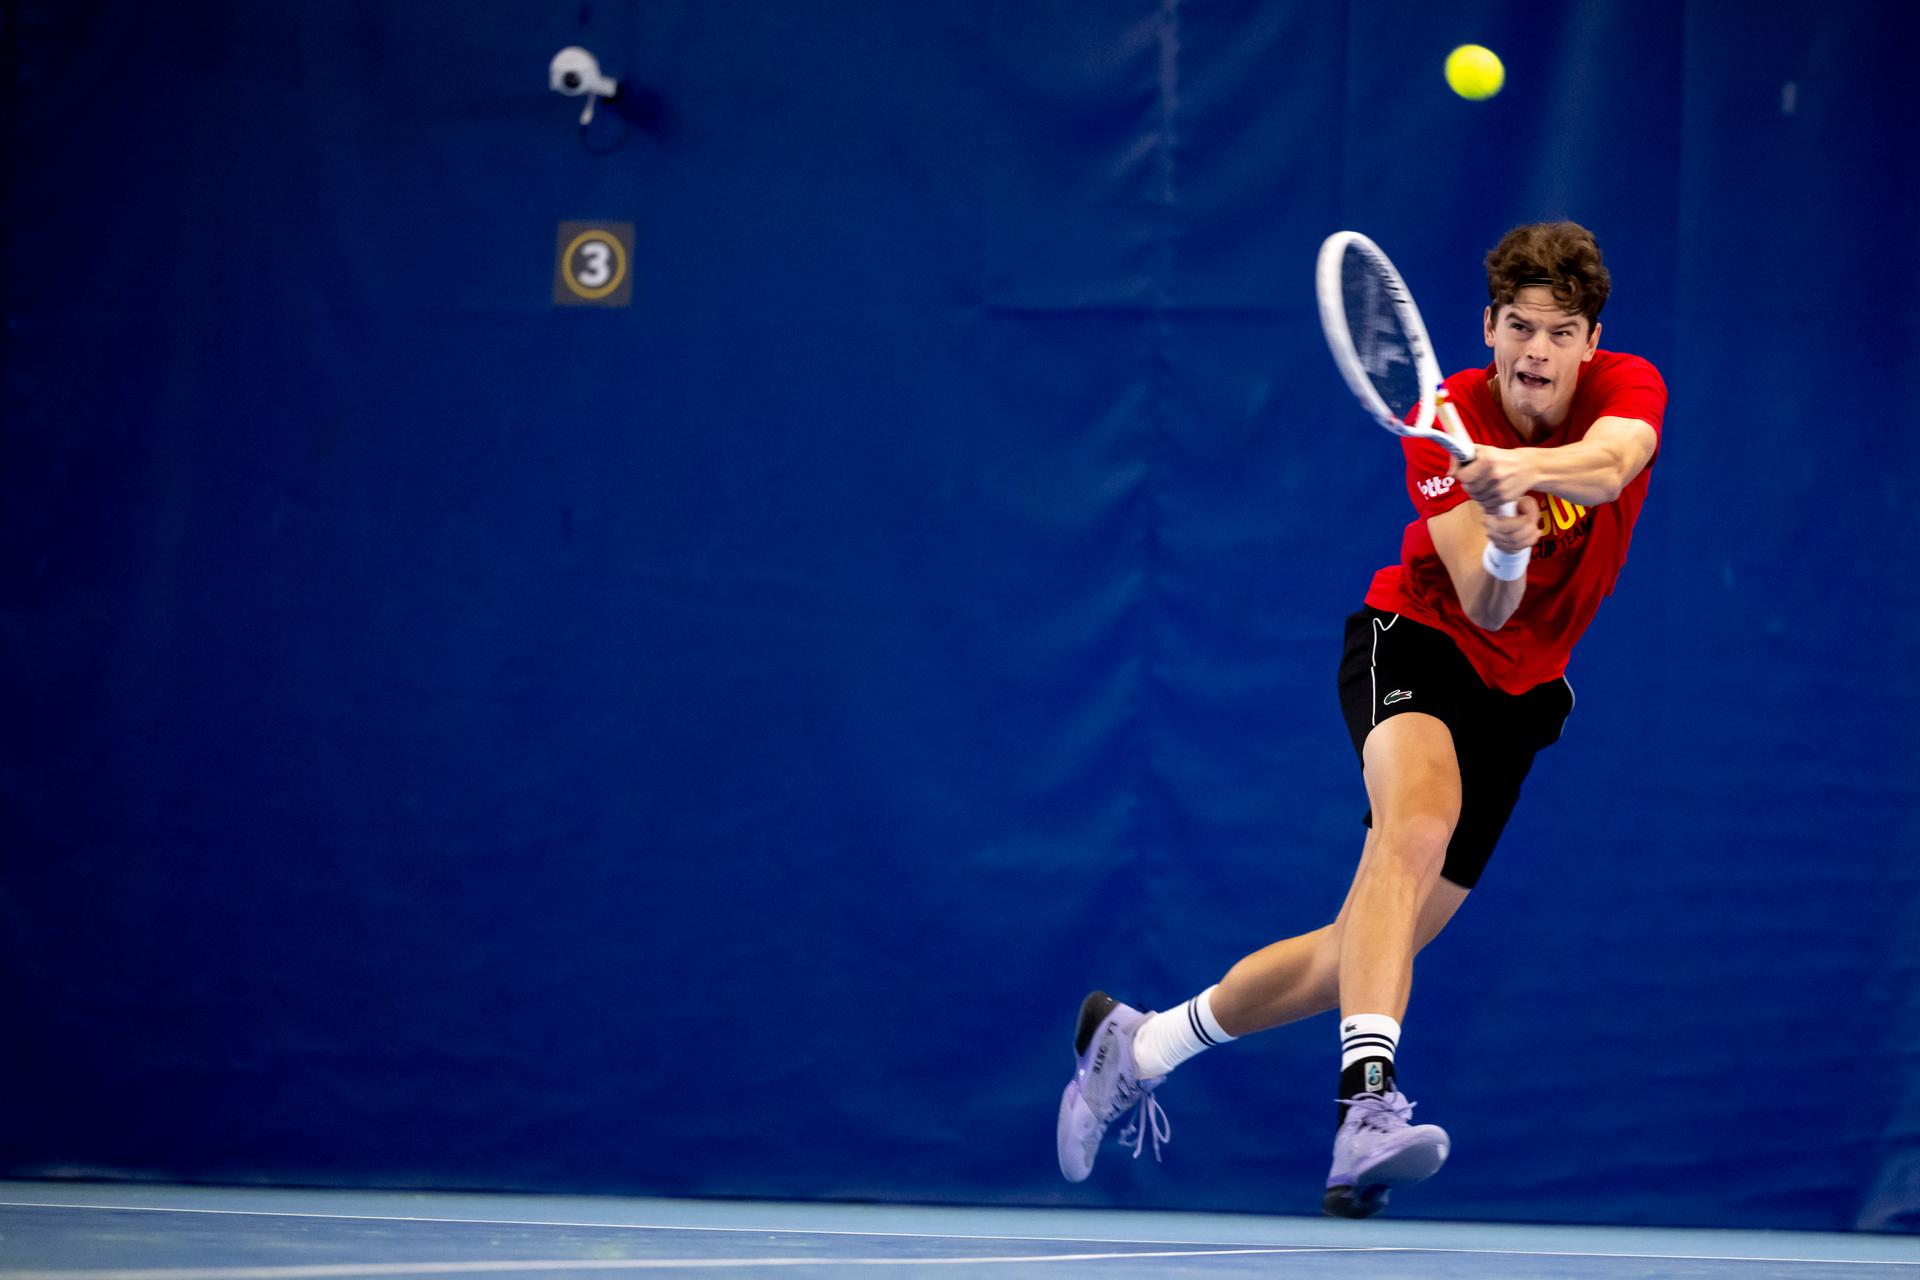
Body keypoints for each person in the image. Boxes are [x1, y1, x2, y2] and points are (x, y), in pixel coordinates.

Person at [1055, 221, 1667, 1218]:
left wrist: (1525, 478)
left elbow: (1614, 461)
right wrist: (1505, 544)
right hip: (1418, 641)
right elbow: (1485, 602)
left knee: (1364, 949)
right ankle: (1367, 1109)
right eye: (1520, 327)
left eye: (1561, 332)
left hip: (1521, 701)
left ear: (1591, 343)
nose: (1537, 351)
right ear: (1489, 327)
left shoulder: (1627, 387)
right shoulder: (1444, 419)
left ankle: (1142, 1044)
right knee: (1413, 830)